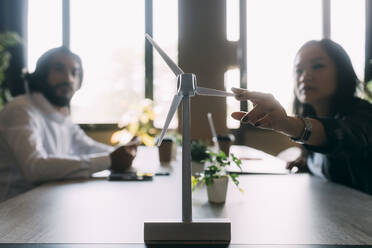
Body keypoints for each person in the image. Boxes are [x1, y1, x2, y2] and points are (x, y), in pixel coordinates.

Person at [231, 39, 372, 195]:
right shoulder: (312, 117)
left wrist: (286, 124)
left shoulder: (363, 113)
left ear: (341, 71)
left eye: (317, 66)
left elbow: (344, 135)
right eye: (299, 70)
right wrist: (308, 163)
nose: (305, 76)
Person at [0, 46, 138, 201]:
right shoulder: (21, 110)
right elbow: (34, 167)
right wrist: (110, 160)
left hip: (45, 203)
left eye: (74, 73)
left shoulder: (61, 115)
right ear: (41, 74)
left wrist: (124, 153)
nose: (68, 79)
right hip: (12, 213)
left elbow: (87, 147)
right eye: (59, 70)